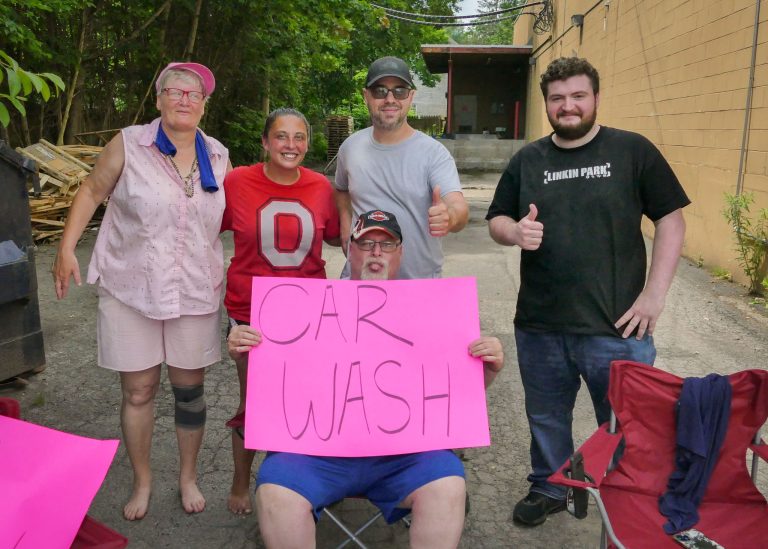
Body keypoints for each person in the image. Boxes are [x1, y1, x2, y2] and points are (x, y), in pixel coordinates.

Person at [485, 57, 690, 526]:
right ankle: (552, 487)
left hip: (617, 328)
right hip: (540, 324)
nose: (568, 106)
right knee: (546, 418)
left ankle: (627, 496)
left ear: (595, 98)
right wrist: (514, 232)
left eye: (578, 96)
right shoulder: (528, 160)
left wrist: (654, 297)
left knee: (626, 426)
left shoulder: (632, 151)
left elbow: (671, 220)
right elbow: (496, 218)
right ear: (547, 104)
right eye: (557, 98)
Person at [226, 209, 503, 548]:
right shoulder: (305, 310)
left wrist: (485, 368)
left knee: (448, 484)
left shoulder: (433, 312)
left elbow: (450, 392)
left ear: (400, 253)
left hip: (405, 453)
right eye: (367, 243)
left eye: (386, 246)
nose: (376, 252)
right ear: (349, 250)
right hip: (315, 453)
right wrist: (247, 352)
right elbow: (279, 386)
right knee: (275, 490)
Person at [52, 62, 230, 521]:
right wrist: (67, 249)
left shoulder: (219, 155)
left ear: (204, 104)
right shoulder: (129, 143)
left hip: (193, 287)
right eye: (175, 91)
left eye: (194, 94)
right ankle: (143, 479)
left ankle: (187, 476)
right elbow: (91, 191)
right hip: (132, 286)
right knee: (138, 391)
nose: (184, 99)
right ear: (158, 100)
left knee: (189, 392)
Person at [220, 107, 341, 515]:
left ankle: (301, 484)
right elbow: (198, 227)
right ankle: (241, 483)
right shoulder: (236, 181)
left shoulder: (322, 187)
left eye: (299, 137)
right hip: (251, 311)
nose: (291, 145)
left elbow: (347, 237)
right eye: (281, 136)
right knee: (254, 405)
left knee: (308, 400)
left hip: (309, 313)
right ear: (265, 142)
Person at [333, 56, 469, 279]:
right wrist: (345, 226)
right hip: (359, 281)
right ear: (365, 95)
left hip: (417, 286)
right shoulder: (350, 148)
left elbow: (458, 207)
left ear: (410, 96)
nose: (389, 99)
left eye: (399, 91)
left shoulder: (434, 154)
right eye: (379, 90)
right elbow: (341, 189)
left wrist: (449, 218)